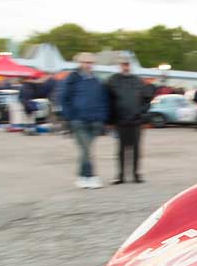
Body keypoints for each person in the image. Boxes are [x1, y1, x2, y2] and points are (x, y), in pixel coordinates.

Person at [62, 52, 109, 189]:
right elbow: (65, 99)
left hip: (94, 120)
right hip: (79, 120)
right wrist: (70, 117)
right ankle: (91, 176)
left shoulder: (96, 80)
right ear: (80, 63)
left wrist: (102, 117)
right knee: (87, 150)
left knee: (85, 150)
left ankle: (82, 177)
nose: (88, 65)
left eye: (90, 62)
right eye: (85, 62)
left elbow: (103, 99)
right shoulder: (72, 78)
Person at [107, 54, 150, 184]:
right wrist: (110, 120)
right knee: (121, 150)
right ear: (119, 66)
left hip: (136, 121)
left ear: (130, 65)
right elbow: (109, 101)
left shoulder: (138, 81)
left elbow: (146, 100)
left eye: (127, 64)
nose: (125, 67)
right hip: (120, 121)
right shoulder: (113, 80)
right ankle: (120, 175)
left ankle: (136, 174)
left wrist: (142, 114)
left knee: (136, 149)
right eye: (123, 64)